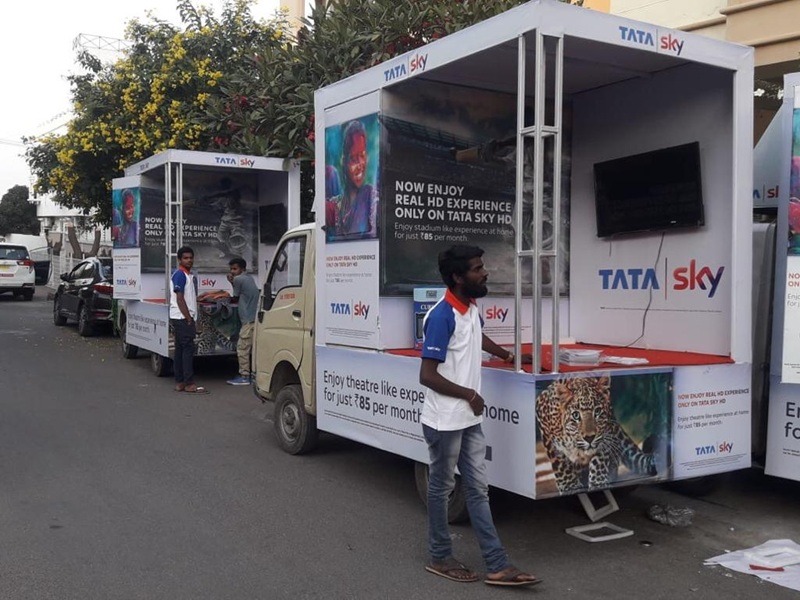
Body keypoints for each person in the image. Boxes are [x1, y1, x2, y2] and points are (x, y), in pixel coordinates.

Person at [419, 245, 538, 587]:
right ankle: (440, 556)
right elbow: (427, 375)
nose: (484, 273)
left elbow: (474, 337)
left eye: (482, 267)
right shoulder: (441, 316)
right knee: (442, 489)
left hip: (468, 419)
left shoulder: (470, 308)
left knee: (478, 490)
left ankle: (497, 564)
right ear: (458, 277)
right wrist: (470, 395)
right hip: (444, 421)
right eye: (477, 269)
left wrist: (508, 355)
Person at [326, 119, 378, 241]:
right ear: (344, 162)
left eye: (362, 156)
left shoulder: (372, 198)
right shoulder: (335, 205)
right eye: (354, 159)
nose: (360, 165)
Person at [169, 246, 208, 394]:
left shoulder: (188, 275)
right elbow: (179, 299)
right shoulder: (180, 275)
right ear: (179, 259)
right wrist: (189, 318)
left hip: (181, 317)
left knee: (180, 350)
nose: (189, 260)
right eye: (185, 258)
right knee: (187, 350)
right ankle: (189, 383)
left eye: (191, 257)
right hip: (182, 318)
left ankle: (179, 382)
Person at [226, 257, 260, 385]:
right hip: (253, 319)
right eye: (231, 269)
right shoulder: (249, 278)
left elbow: (234, 297)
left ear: (243, 269)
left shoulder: (239, 279)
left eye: (235, 269)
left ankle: (245, 376)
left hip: (248, 321)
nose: (232, 272)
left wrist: (231, 281)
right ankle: (251, 374)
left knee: (242, 348)